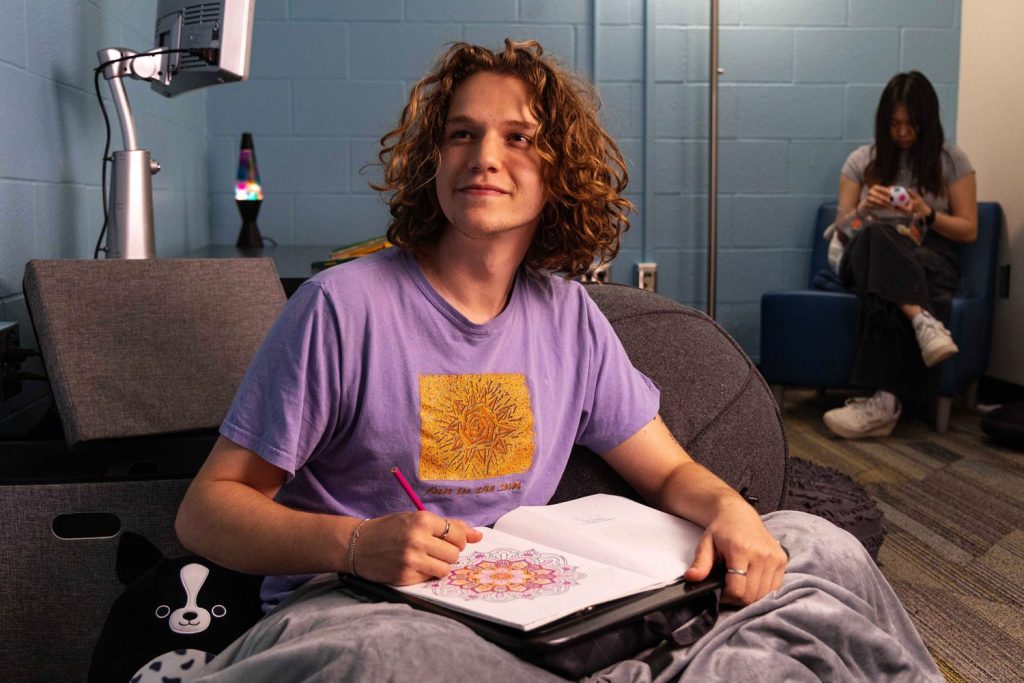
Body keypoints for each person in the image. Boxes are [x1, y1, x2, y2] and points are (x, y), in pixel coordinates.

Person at [177, 41, 941, 681]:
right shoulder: (340, 308)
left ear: (558, 173)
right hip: (369, 606)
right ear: (430, 159)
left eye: (518, 137)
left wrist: (732, 511)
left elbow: (670, 472)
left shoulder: (569, 315)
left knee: (817, 545)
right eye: (460, 134)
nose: (484, 157)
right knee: (392, 657)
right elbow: (207, 510)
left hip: (537, 612)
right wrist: (353, 543)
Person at [823, 71, 977, 440]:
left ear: (928, 122)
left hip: (925, 256)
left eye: (912, 125)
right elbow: (840, 230)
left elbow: (969, 230)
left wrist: (927, 213)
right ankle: (923, 319)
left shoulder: (952, 160)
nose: (903, 133)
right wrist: (862, 208)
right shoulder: (862, 161)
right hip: (861, 254)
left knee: (887, 285)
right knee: (877, 236)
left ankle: (884, 403)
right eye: (894, 125)